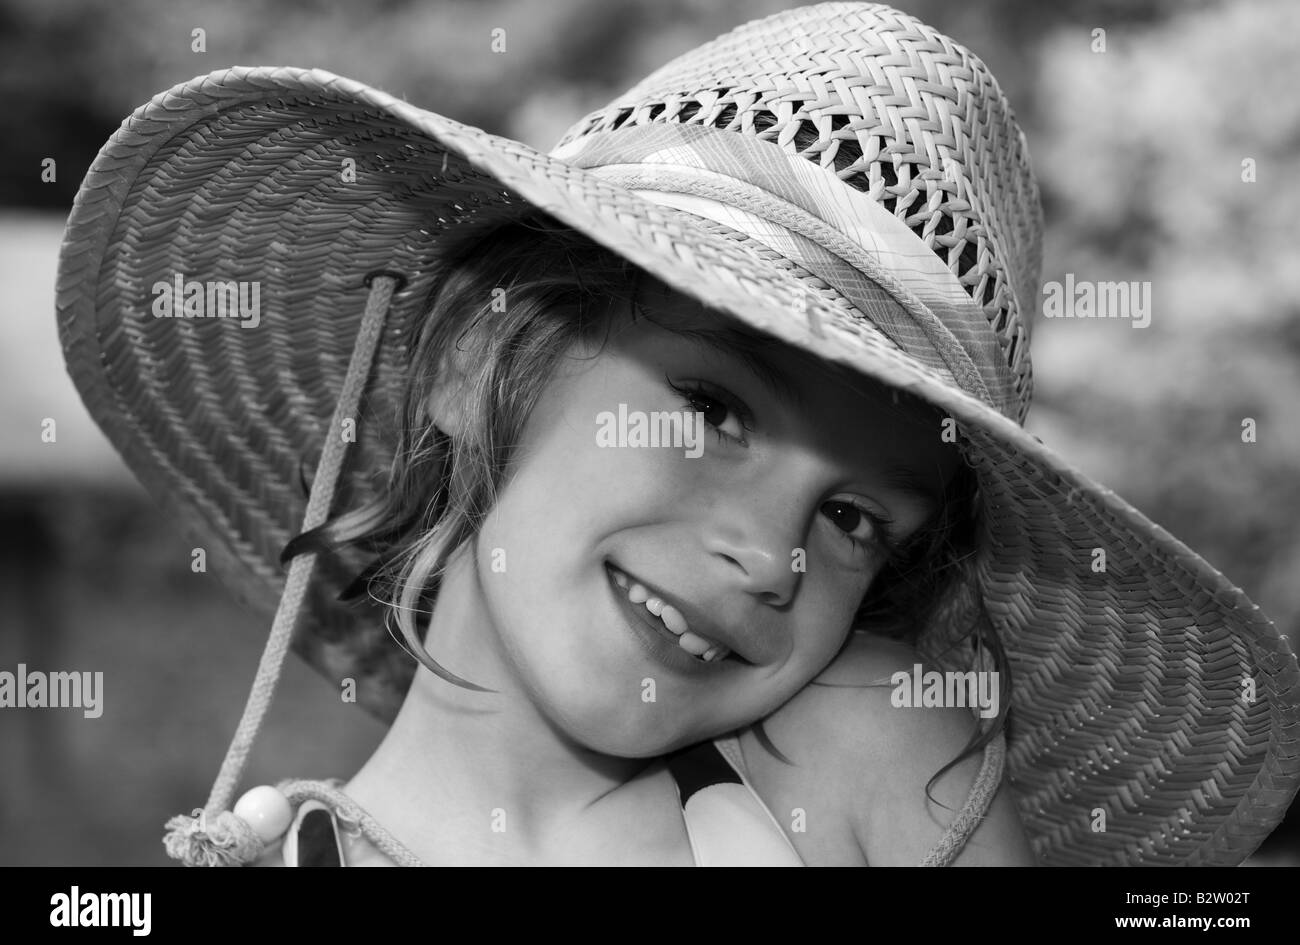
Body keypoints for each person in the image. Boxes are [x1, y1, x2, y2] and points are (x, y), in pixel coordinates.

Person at [56, 2, 1299, 867]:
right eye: (713, 411)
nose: (773, 558)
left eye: (854, 517)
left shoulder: (863, 767)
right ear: (475, 360)